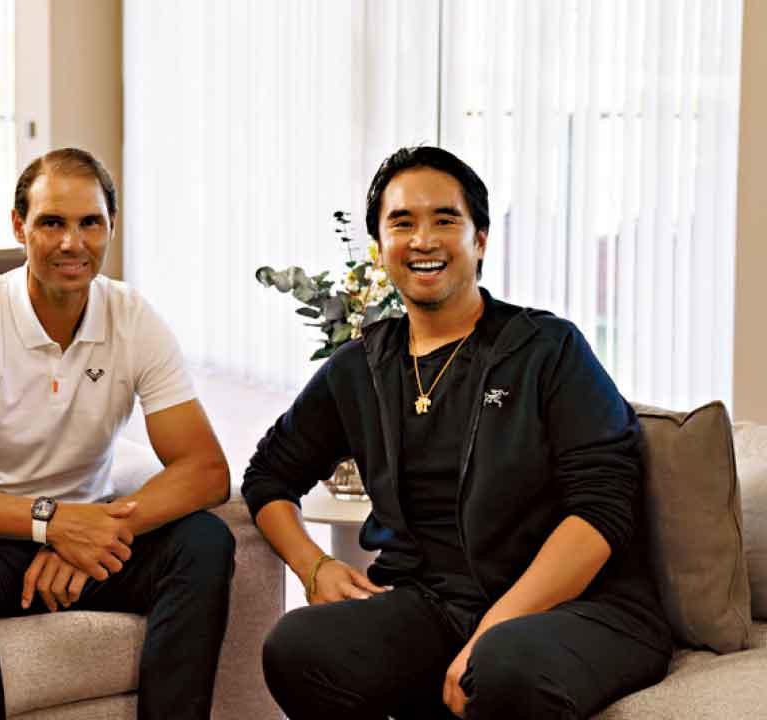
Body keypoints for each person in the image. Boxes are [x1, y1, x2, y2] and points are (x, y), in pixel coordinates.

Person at [243, 146, 672, 719]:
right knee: (297, 647)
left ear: (480, 240)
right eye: (402, 223)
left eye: (445, 220)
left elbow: (602, 507)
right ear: (380, 247)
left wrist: (494, 627)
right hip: (433, 607)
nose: (423, 240)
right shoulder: (359, 369)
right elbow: (268, 476)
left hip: (581, 607)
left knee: (500, 665)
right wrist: (313, 566)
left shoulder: (547, 349)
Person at [0, 147, 235, 720]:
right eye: (52, 222)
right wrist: (53, 523)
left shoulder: (133, 318)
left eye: (90, 223)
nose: (71, 243)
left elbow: (206, 470)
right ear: (19, 226)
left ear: (111, 227)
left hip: (91, 533)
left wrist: (97, 534)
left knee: (204, 541)